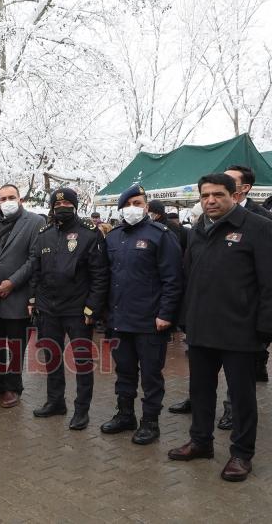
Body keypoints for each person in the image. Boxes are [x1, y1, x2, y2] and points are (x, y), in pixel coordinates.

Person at [169, 173, 272, 482]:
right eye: (205, 196)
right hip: (201, 328)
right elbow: (189, 277)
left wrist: (265, 328)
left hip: (241, 331)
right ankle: (201, 442)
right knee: (200, 391)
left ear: (234, 195)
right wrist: (185, 319)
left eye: (218, 195)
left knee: (241, 397)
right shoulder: (198, 230)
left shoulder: (259, 228)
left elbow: (269, 284)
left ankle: (241, 454)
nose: (210, 201)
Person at [99, 184, 183, 443]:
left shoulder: (161, 235)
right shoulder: (113, 237)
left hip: (150, 322)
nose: (132, 208)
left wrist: (166, 314)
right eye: (127, 204)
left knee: (151, 375)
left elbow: (173, 279)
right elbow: (105, 277)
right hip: (119, 320)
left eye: (137, 203)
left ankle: (150, 422)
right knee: (124, 371)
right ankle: (125, 414)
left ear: (146, 206)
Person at [29, 188, 109, 430]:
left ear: (75, 207)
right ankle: (55, 402)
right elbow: (36, 270)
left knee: (82, 361)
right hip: (48, 309)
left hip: (77, 310)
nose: (61, 208)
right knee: (51, 357)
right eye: (57, 205)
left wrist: (92, 308)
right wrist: (33, 300)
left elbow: (100, 275)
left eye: (67, 205)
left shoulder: (89, 234)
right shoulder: (44, 234)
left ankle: (81, 410)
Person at [0, 184, 44, 408]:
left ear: (20, 199)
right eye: (3, 198)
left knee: (16, 346)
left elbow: (34, 259)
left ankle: (12, 387)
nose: (7, 201)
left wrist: (12, 282)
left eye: (11, 197)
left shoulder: (35, 222)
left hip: (17, 296)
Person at [224, 165, 272, 384]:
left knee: (241, 371)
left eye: (229, 181)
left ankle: (234, 403)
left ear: (245, 188)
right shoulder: (212, 214)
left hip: (247, 310)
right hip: (218, 307)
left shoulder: (262, 220)